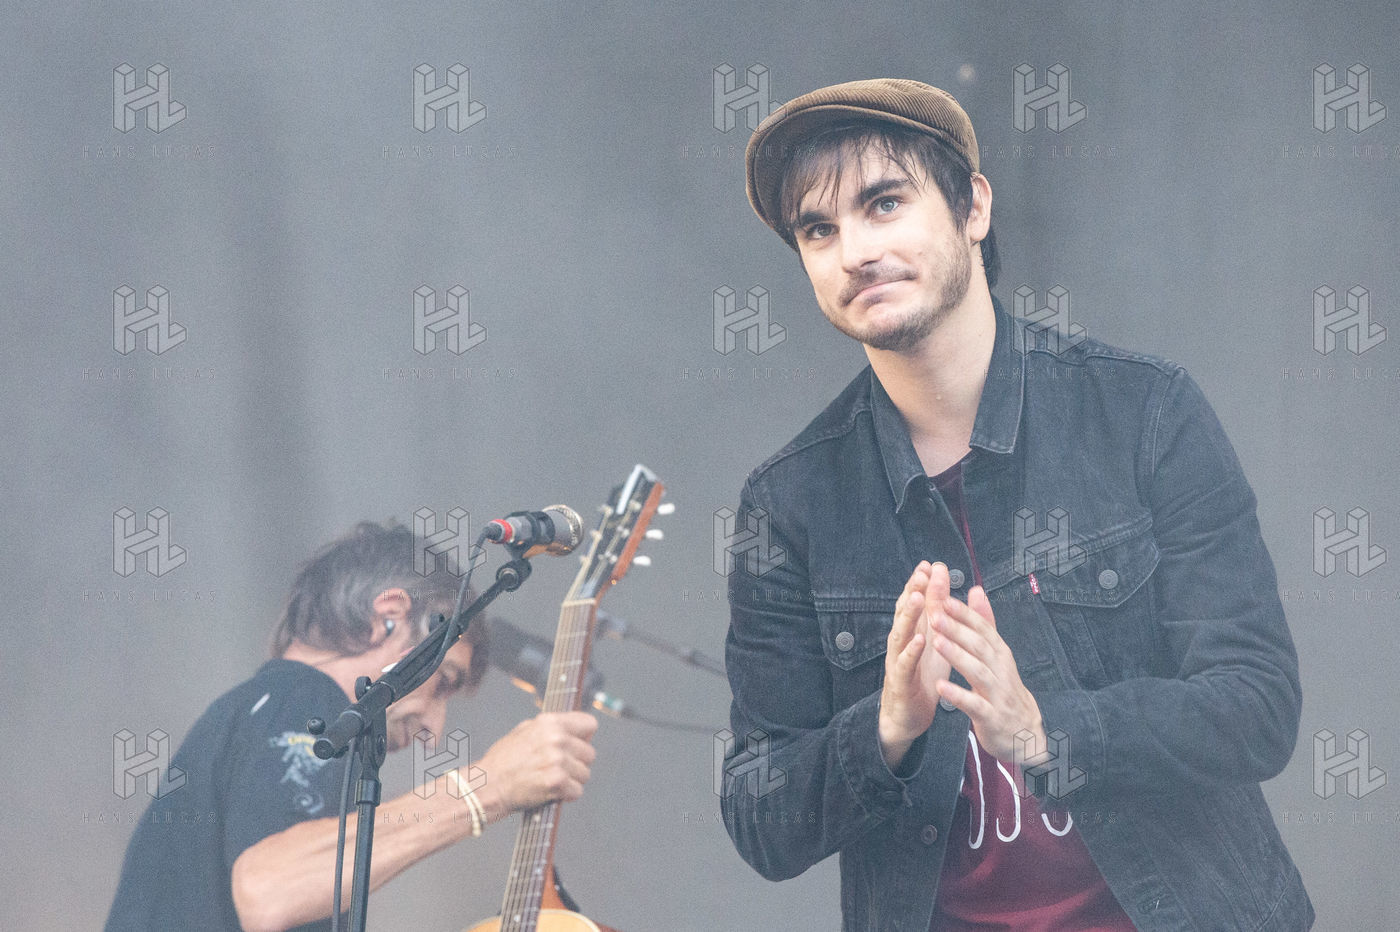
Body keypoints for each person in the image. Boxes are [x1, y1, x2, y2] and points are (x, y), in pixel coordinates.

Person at [719, 79, 1313, 931]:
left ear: (973, 207)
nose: (853, 251)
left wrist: (1046, 734)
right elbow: (760, 817)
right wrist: (886, 731)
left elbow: (1259, 706)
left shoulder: (1143, 412)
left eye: (883, 203)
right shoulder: (788, 504)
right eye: (819, 230)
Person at [106, 521, 598, 932]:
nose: (434, 729)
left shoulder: (260, 708)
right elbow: (269, 890)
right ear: (389, 616)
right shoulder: (303, 697)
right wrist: (492, 786)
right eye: (443, 681)